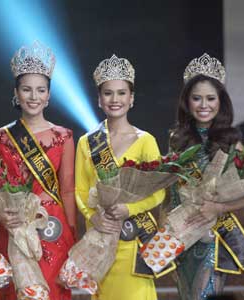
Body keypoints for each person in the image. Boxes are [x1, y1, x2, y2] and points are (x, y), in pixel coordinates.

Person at [167, 53, 244, 300]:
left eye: (210, 98)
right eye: (196, 98)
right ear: (187, 102)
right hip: (182, 238)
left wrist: (219, 207)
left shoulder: (232, 141)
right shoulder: (176, 140)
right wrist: (167, 234)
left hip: (213, 238)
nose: (203, 105)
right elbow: (170, 192)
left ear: (221, 101)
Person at [0, 41, 76, 300]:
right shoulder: (0, 137)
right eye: (27, 89)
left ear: (49, 95)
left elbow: (68, 189)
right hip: (14, 226)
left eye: (40, 90)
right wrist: (1, 216)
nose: (34, 97)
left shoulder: (64, 136)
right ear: (16, 92)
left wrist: (72, 232)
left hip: (52, 226)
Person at [75, 54, 166, 299]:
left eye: (121, 93)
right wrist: (93, 217)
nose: (115, 99)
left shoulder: (146, 141)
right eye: (108, 93)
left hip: (133, 240)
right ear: (99, 99)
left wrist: (129, 208)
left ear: (132, 98)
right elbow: (80, 190)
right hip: (101, 240)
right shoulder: (87, 142)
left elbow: (159, 191)